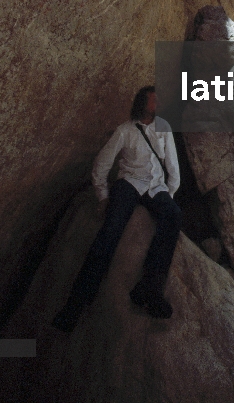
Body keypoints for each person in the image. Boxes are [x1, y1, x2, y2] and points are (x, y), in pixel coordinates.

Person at [52, 85, 181, 332]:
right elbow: (102, 162)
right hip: (129, 184)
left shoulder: (164, 128)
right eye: (155, 101)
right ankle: (75, 305)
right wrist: (102, 196)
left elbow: (172, 166)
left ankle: (149, 290)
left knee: (173, 216)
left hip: (155, 187)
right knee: (109, 232)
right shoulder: (125, 131)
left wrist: (169, 195)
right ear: (143, 104)